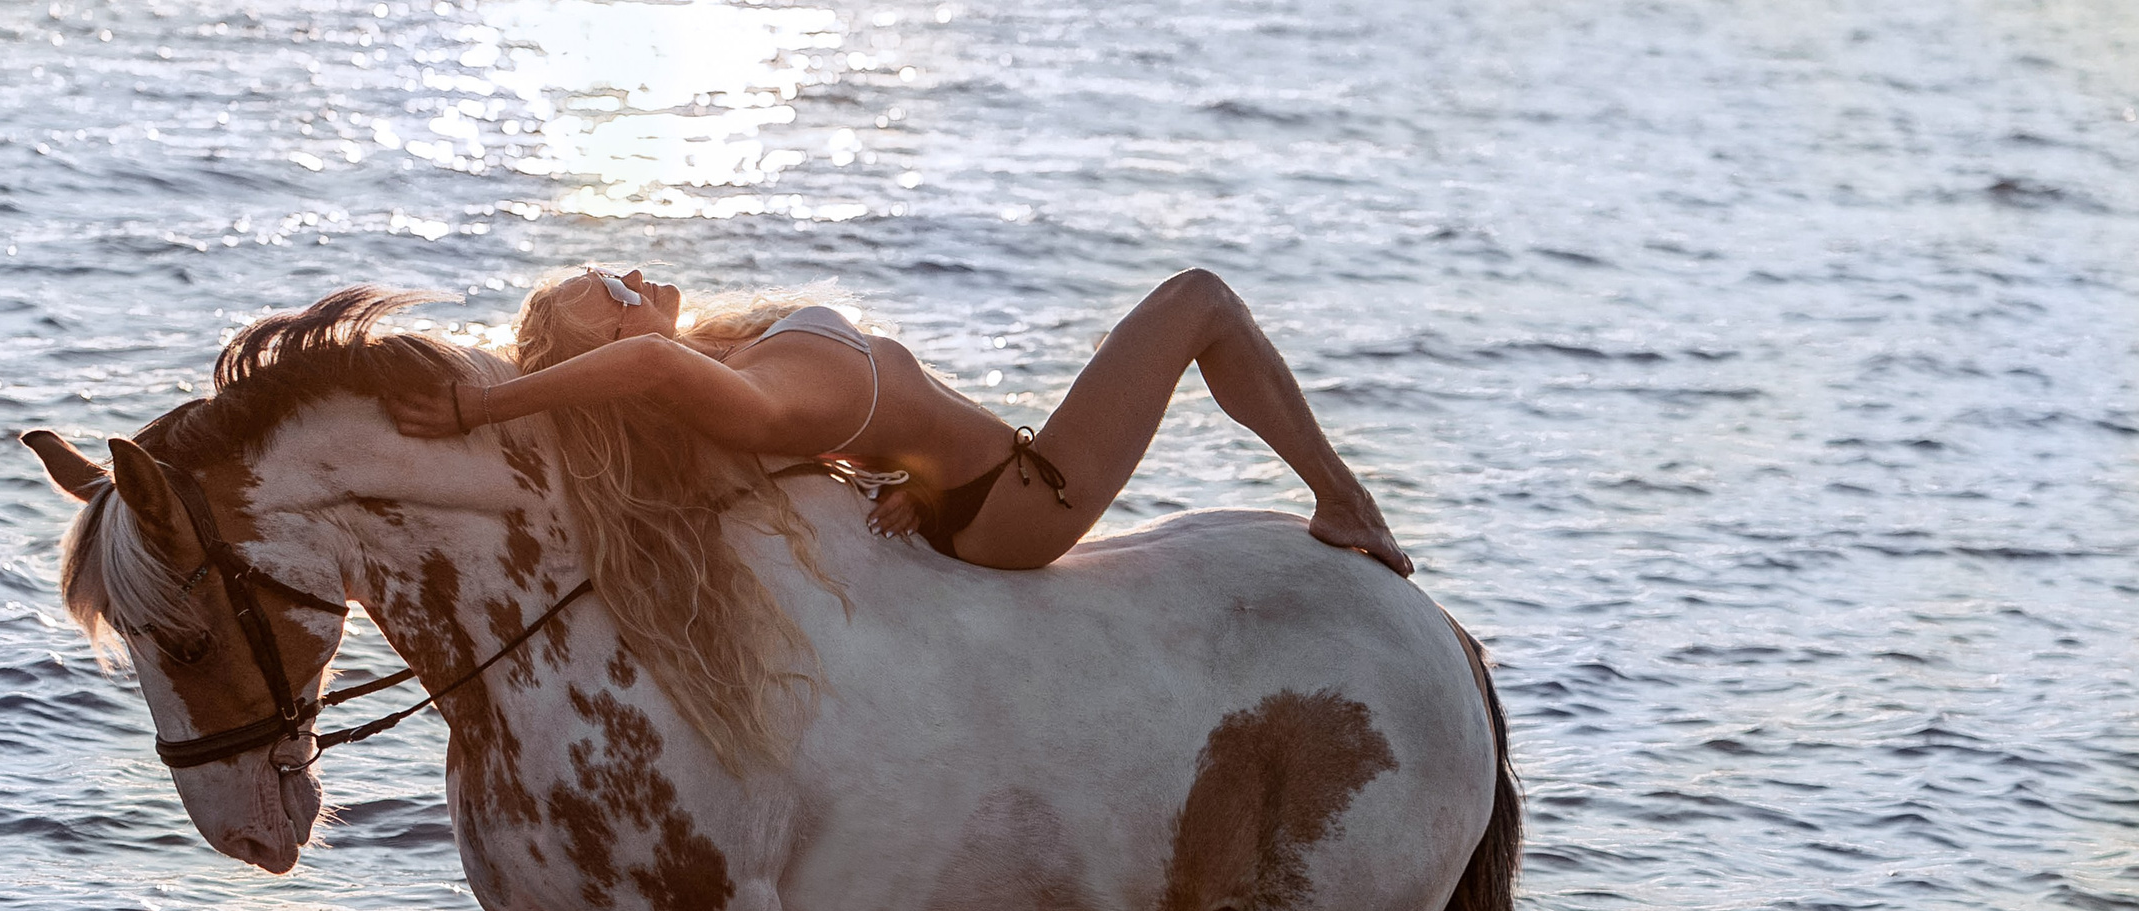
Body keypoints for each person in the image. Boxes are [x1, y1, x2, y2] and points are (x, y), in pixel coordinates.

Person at [386, 266, 1411, 577]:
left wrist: (897, 484)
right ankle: (1345, 502)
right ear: (608, 353)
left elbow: (837, 436)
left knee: (1200, 302)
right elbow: (649, 364)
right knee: (1201, 302)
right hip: (1022, 500)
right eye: (610, 293)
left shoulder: (729, 369)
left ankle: (1344, 498)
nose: (633, 277)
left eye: (613, 268)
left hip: (973, 494)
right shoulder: (714, 387)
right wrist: (480, 403)